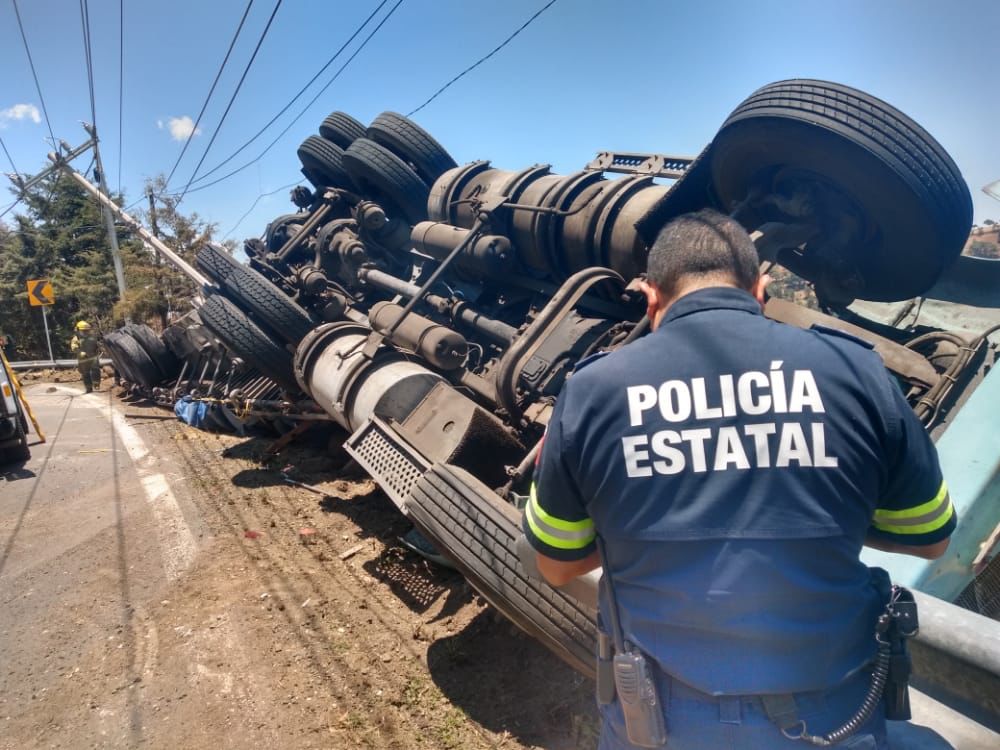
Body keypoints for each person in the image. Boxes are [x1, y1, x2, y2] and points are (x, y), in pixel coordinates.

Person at [522, 208, 955, 749]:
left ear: (651, 296)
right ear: (761, 288)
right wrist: (815, 515)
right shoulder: (859, 373)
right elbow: (930, 537)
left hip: (661, 722)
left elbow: (556, 564)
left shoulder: (592, 391)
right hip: (833, 715)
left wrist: (640, 531)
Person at [70, 320, 101, 393]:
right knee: (85, 373)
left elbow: (96, 344)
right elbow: (74, 347)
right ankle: (88, 388)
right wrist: (80, 352)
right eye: (83, 331)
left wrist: (98, 347)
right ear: (78, 330)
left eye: (87, 331)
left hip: (93, 357)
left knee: (96, 370)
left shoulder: (92, 337)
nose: (86, 332)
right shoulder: (76, 338)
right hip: (83, 359)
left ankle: (96, 384)